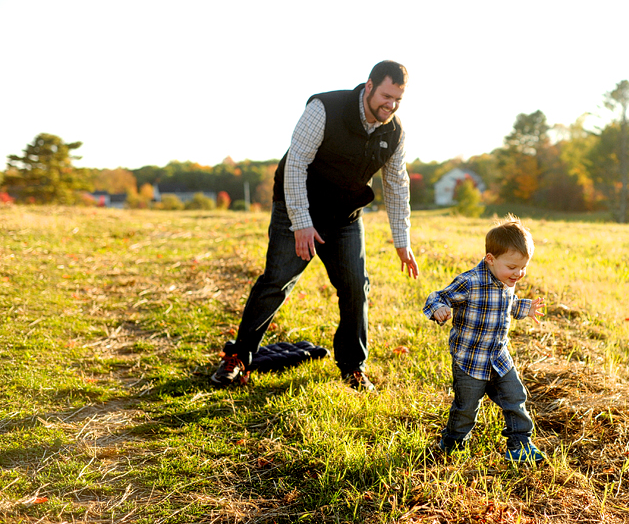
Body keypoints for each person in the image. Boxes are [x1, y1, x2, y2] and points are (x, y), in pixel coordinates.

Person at [212, 60, 419, 391]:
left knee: (355, 287)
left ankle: (353, 366)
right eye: (385, 96)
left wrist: (402, 239)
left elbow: (397, 184)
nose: (390, 105)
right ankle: (238, 358)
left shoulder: (394, 132)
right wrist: (302, 222)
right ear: (368, 86)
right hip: (297, 207)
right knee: (276, 282)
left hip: (345, 218)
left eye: (397, 100)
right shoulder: (324, 108)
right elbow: (295, 164)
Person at [423, 215, 546, 463]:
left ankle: (520, 444)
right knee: (466, 407)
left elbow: (506, 304)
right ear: (490, 259)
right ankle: (453, 443)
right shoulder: (470, 282)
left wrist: (525, 308)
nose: (519, 273)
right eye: (513, 267)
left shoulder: (505, 280)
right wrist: (438, 309)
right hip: (470, 361)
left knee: (515, 397)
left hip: (499, 357)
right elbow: (438, 296)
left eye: (523, 267)